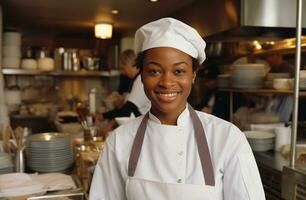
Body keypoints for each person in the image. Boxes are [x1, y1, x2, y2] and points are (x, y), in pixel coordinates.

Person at [90, 18, 265, 200]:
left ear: (193, 75)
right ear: (141, 76)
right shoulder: (119, 141)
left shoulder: (227, 138)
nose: (166, 82)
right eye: (154, 71)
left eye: (179, 71)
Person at [99, 49, 151, 136]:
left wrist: (104, 116)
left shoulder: (140, 80)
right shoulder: (135, 79)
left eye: (123, 68)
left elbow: (128, 110)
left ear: (131, 64)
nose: (123, 72)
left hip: (145, 127)